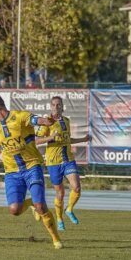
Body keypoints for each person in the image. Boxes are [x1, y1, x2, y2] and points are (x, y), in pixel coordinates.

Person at [0, 94, 63, 249]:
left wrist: (47, 121)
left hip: (32, 166)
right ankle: (30, 203)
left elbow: (36, 120)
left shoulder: (19, 116)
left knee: (41, 206)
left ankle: (56, 239)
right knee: (14, 210)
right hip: (12, 172)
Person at [34, 96, 92, 232]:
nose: (56, 107)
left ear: (62, 106)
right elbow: (36, 141)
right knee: (60, 193)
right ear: (50, 106)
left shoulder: (66, 120)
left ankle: (69, 209)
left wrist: (83, 139)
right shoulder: (47, 122)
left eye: (58, 105)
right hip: (53, 162)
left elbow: (68, 140)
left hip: (68, 159)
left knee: (76, 187)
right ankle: (59, 219)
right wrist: (50, 137)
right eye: (53, 105)